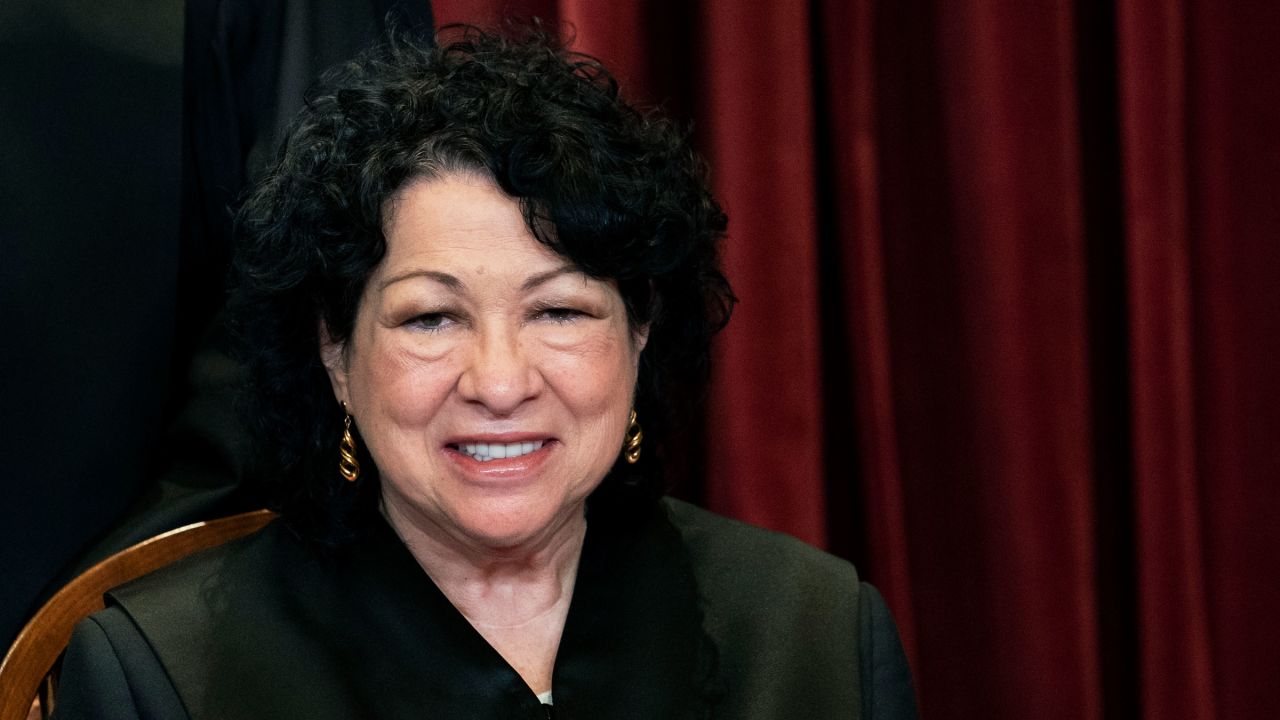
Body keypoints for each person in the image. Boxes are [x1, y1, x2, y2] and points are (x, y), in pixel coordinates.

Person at [53, 25, 918, 719]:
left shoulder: (817, 634)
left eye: (559, 311)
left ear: (641, 331)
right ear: (334, 353)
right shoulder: (158, 677)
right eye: (431, 317)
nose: (500, 383)